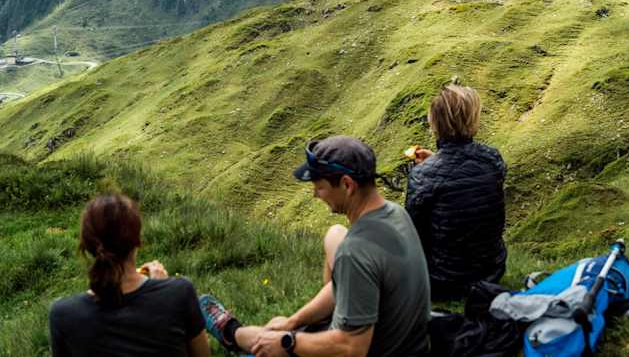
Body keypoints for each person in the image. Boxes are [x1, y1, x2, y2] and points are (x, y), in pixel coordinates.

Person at [199, 136, 431, 357]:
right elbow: (349, 286)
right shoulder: (396, 213)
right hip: (409, 345)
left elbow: (352, 348)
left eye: (319, 187)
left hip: (369, 349)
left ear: (347, 185)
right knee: (282, 326)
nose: (314, 195)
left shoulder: (355, 251)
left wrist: (289, 342)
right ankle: (235, 333)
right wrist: (293, 323)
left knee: (274, 341)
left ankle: (231, 331)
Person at [49, 192, 212, 357]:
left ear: (87, 245)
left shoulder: (63, 315)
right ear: (138, 240)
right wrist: (163, 291)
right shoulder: (180, 292)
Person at [406, 85, 507, 301]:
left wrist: (427, 169)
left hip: (443, 282)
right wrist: (436, 163)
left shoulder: (423, 174)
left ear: (435, 123)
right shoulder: (493, 159)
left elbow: (413, 233)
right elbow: (463, 178)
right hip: (491, 272)